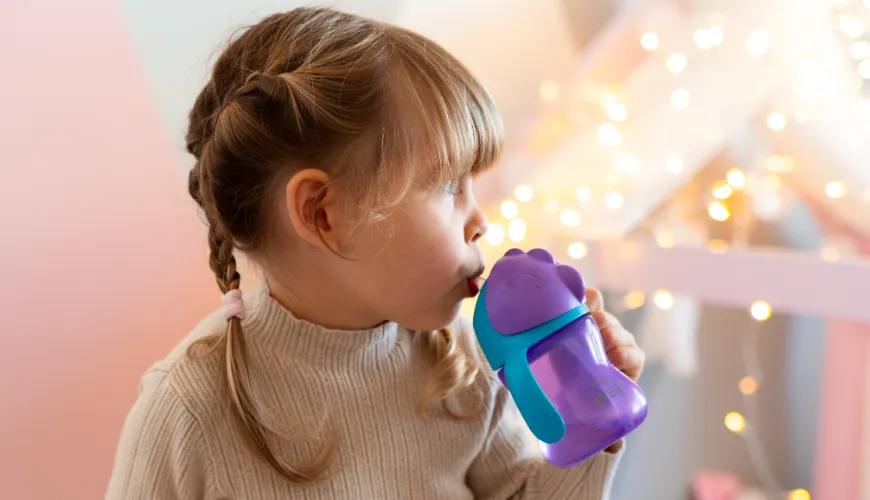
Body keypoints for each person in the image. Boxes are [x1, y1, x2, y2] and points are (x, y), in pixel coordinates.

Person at [106, 7, 645, 499]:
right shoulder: (188, 408)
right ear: (323, 215)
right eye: (446, 186)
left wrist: (590, 416)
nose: (479, 221)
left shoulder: (459, 358)